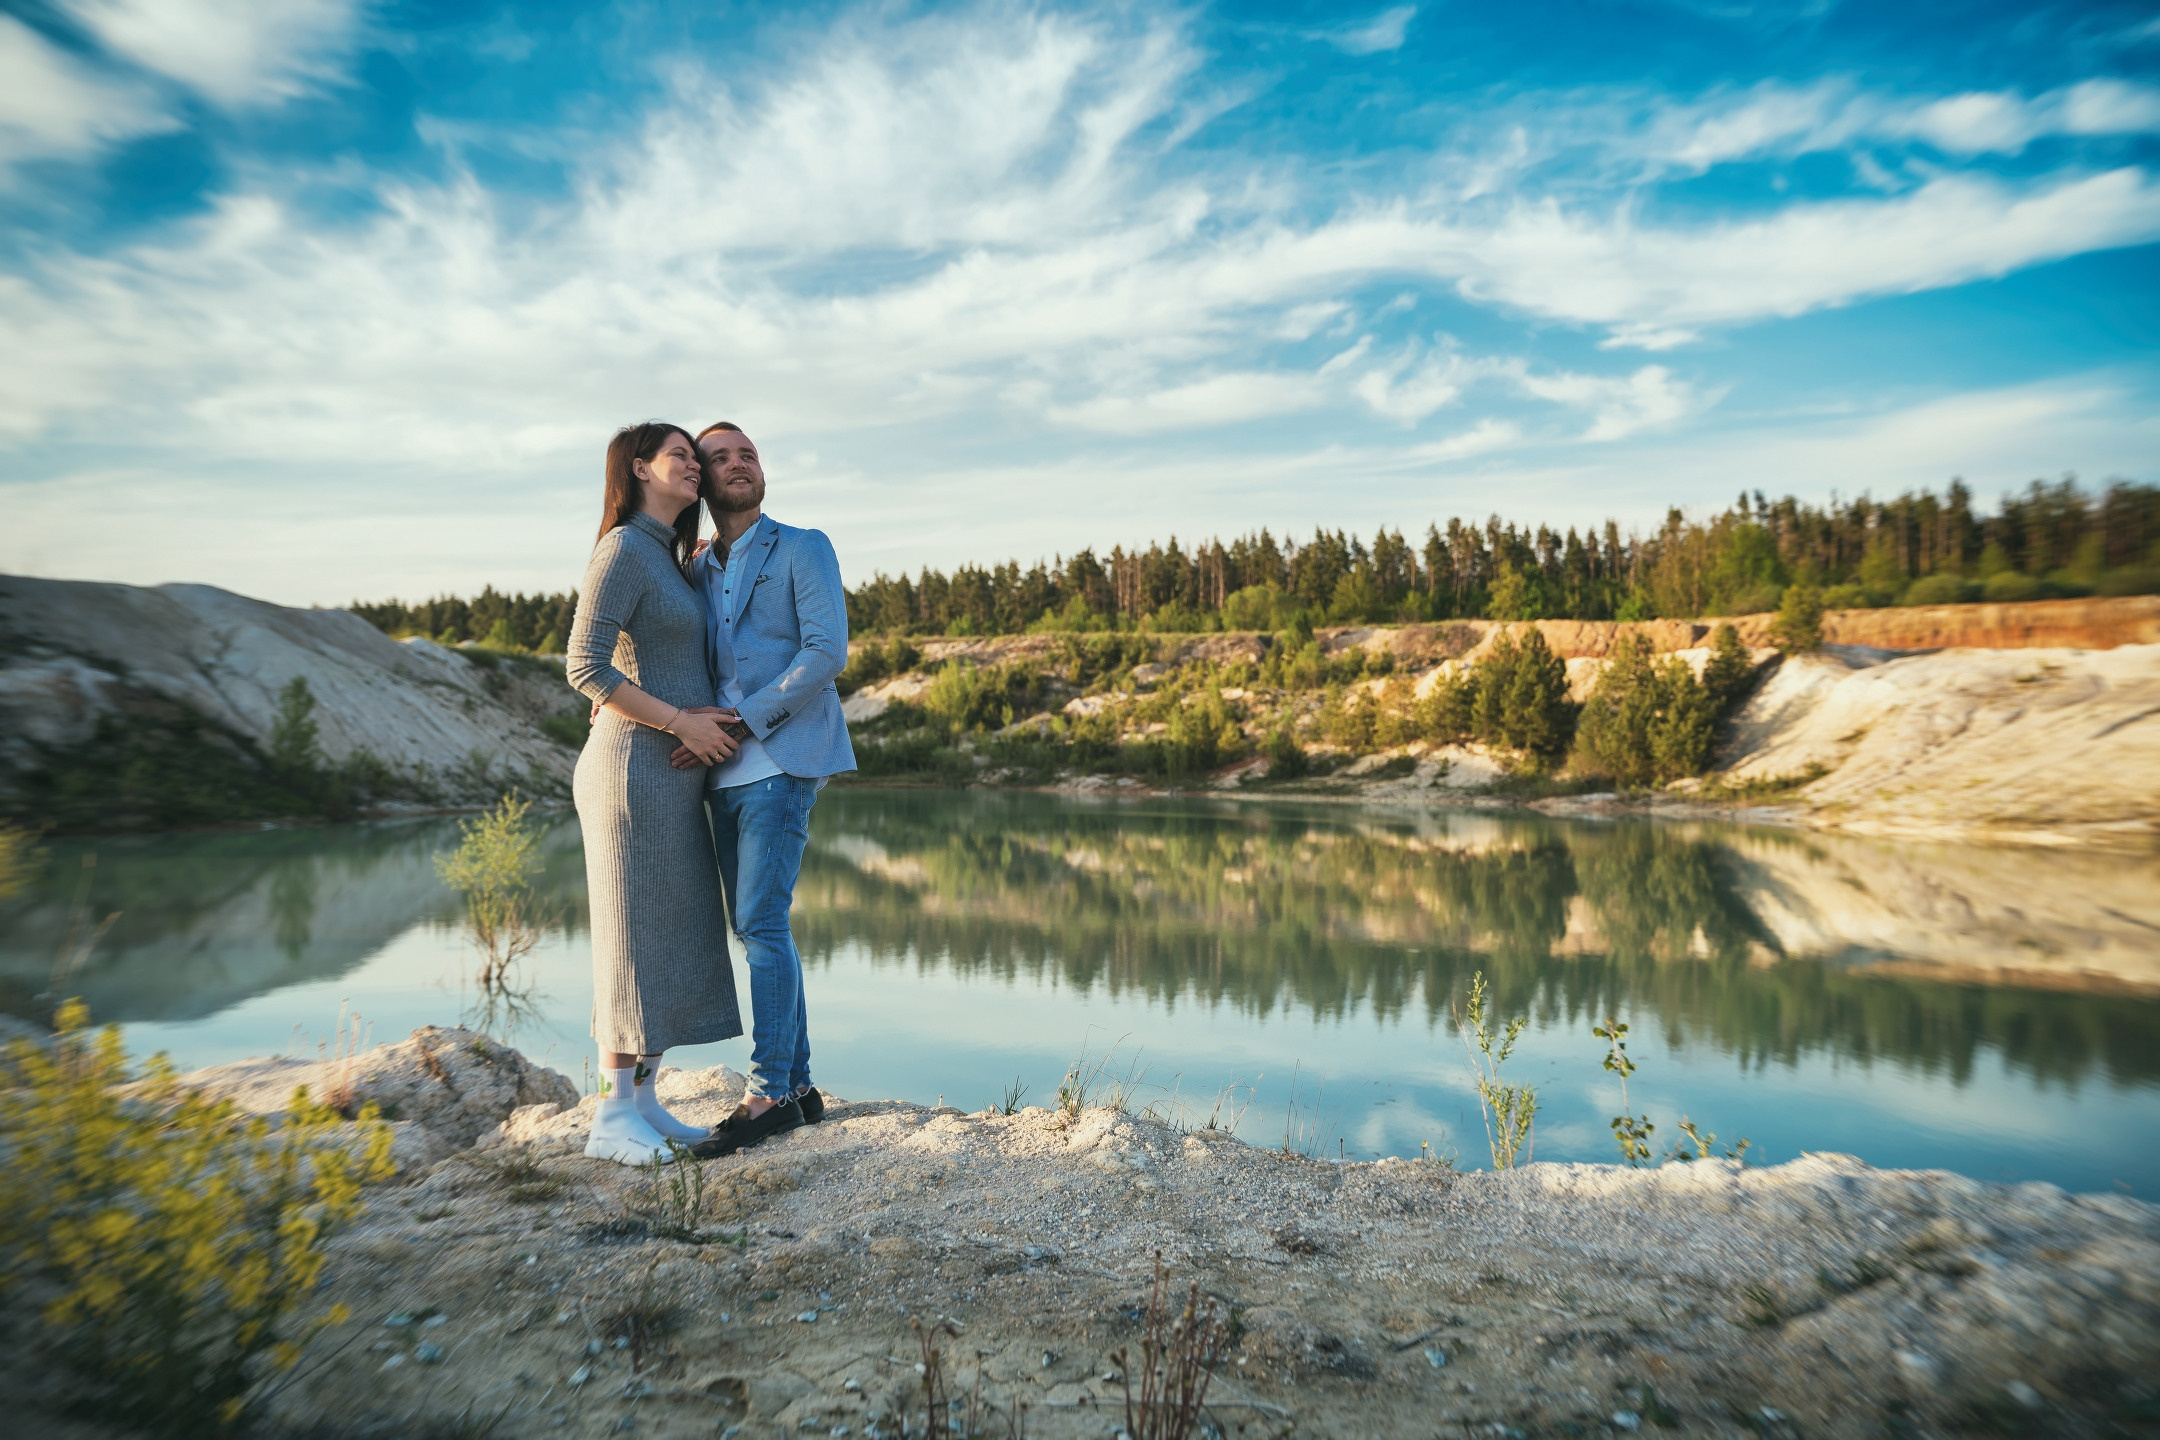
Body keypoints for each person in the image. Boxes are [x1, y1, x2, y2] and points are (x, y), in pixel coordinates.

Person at [670, 421, 856, 1158]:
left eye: (747, 453)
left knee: (761, 922)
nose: (738, 464)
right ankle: (802, 1088)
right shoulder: (696, 565)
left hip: (781, 759)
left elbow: (826, 651)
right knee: (757, 929)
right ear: (702, 481)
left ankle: (769, 1092)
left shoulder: (803, 544)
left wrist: (746, 720)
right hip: (717, 771)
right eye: (720, 458)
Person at [565, 422, 745, 1165]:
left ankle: (642, 1100)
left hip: (668, 780)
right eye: (680, 456)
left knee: (667, 935)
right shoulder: (621, 550)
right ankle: (610, 1120)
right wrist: (680, 722)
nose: (695, 468)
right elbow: (583, 665)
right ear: (639, 468)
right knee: (630, 935)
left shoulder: (669, 559)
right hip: (629, 773)